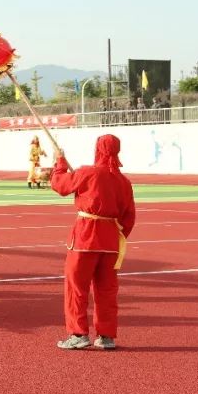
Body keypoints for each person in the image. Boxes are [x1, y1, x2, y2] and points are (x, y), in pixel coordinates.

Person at [50, 136, 136, 350]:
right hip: (111, 240)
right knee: (107, 289)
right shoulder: (124, 181)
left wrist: (59, 164)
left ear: (97, 149)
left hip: (85, 237)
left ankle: (78, 333)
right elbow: (129, 217)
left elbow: (60, 186)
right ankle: (106, 336)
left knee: (76, 287)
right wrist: (116, 234)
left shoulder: (88, 172)